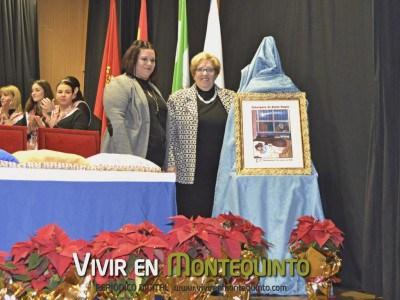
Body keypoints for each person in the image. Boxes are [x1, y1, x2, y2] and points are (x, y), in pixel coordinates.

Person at [167, 52, 236, 218]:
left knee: (219, 218)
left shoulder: (232, 98)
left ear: (216, 73)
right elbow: (170, 135)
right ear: (193, 72)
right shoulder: (178, 99)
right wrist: (170, 164)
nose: (205, 74)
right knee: (190, 218)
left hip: (221, 170)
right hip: (188, 171)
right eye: (200, 69)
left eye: (210, 70)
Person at [101, 40, 167, 168]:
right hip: (130, 163)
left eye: (152, 60)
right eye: (144, 59)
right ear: (133, 60)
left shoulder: (154, 89)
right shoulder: (119, 83)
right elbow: (116, 125)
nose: (149, 64)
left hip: (155, 162)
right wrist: (128, 162)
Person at [24, 80, 54, 149]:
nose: (33, 93)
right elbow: (22, 134)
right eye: (32, 91)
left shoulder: (54, 110)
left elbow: (54, 134)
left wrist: (49, 113)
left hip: (47, 148)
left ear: (46, 92)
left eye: (37, 90)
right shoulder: (29, 110)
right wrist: (29, 130)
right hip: (30, 147)